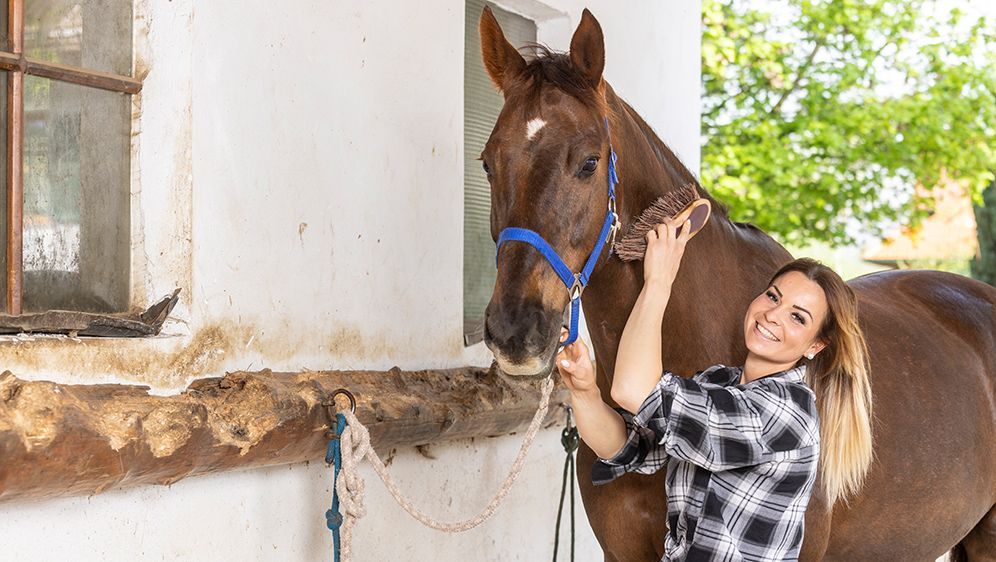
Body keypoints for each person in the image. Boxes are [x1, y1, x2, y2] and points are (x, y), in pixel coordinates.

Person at [556, 218, 873, 561]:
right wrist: (585, 390)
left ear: (815, 346)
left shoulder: (785, 412)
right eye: (772, 297)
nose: (772, 315)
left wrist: (659, 282)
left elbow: (635, 391)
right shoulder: (717, 382)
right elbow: (626, 447)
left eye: (798, 317)